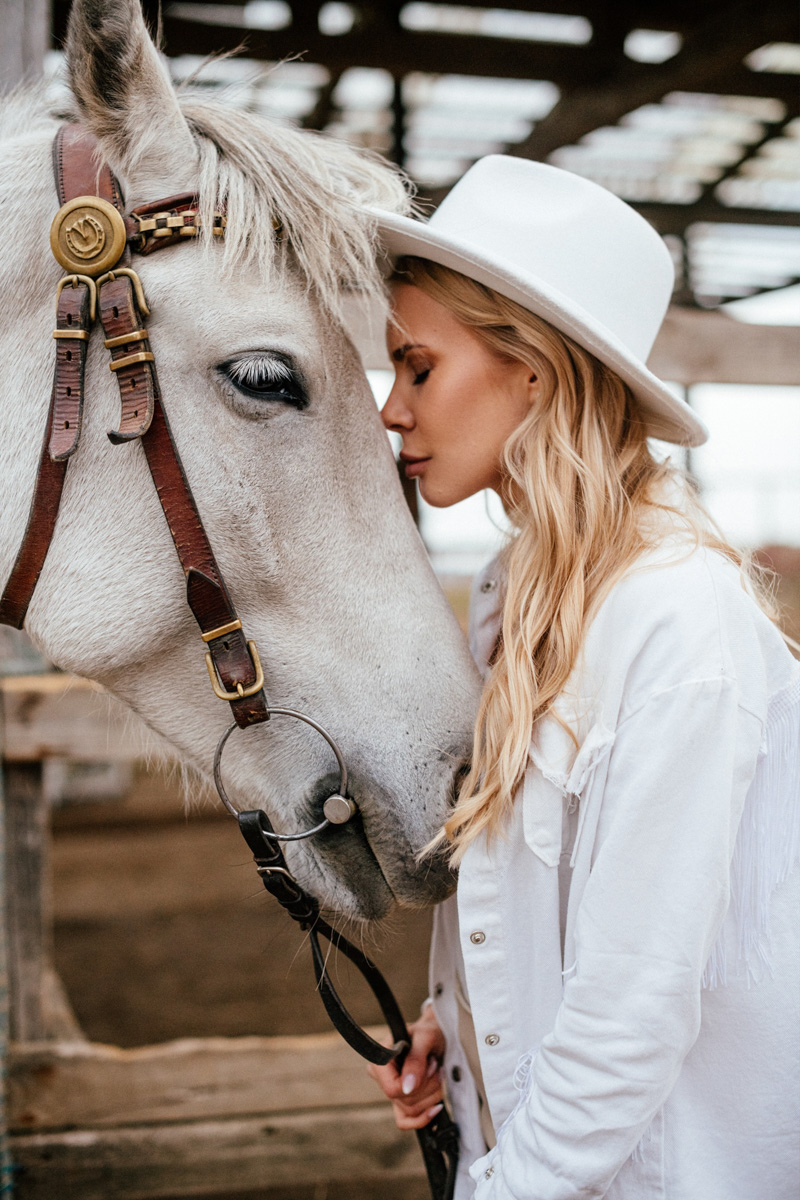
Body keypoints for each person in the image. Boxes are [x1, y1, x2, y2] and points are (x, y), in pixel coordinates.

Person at [366, 156, 800, 1200]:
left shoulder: (675, 626)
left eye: (416, 368)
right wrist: (456, 1019)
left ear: (533, 371)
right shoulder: (513, 592)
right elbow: (539, 898)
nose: (390, 410)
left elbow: (630, 1007)